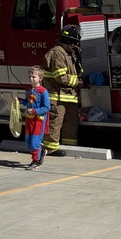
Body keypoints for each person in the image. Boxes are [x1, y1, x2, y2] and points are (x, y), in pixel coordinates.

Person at [40, 24, 84, 157]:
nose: (75, 45)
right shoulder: (57, 53)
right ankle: (51, 149)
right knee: (55, 122)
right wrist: (78, 83)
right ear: (70, 40)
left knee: (71, 122)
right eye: (74, 42)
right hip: (57, 96)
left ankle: (70, 146)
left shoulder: (69, 53)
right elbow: (60, 77)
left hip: (69, 95)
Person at [21, 65, 50, 169]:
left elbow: (46, 107)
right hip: (29, 120)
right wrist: (20, 101)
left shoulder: (43, 91)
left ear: (40, 78)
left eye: (34, 77)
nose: (31, 79)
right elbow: (28, 102)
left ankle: (35, 161)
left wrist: (34, 111)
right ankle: (41, 151)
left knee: (35, 142)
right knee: (28, 142)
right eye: (30, 76)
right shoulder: (29, 90)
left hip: (39, 120)